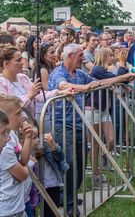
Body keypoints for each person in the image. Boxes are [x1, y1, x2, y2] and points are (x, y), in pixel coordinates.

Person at [48, 44, 128, 216]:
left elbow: (97, 82)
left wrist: (121, 78)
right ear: (70, 56)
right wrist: (83, 88)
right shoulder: (58, 73)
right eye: (80, 56)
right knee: (69, 164)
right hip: (63, 125)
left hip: (79, 123)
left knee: (81, 163)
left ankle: (68, 195)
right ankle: (69, 203)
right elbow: (62, 85)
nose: (83, 58)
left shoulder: (79, 74)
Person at [87, 48, 132, 185]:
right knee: (95, 144)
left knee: (111, 140)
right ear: (104, 56)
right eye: (111, 55)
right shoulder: (97, 70)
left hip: (105, 109)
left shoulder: (106, 70)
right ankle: (95, 174)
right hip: (93, 109)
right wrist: (122, 63)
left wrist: (124, 72)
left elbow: (121, 80)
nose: (113, 57)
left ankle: (105, 155)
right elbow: (118, 78)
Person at [0, 45, 58, 119]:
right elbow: (7, 109)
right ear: (6, 64)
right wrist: (29, 96)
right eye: (18, 60)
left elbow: (39, 96)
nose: (22, 63)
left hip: (30, 122)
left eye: (22, 59)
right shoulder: (1, 83)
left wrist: (58, 92)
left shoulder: (23, 78)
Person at [0, 94, 34, 217]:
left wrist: (28, 138)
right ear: (5, 116)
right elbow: (23, 175)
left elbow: (23, 160)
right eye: (18, 113)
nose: (22, 117)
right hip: (7, 209)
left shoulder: (12, 135)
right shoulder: (5, 148)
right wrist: (26, 166)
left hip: (17, 204)